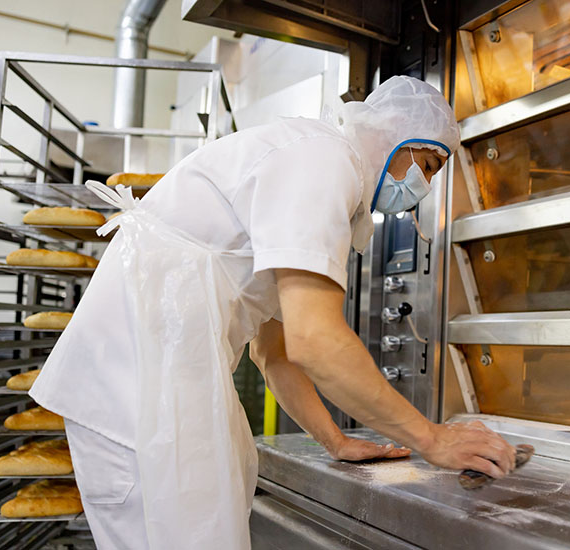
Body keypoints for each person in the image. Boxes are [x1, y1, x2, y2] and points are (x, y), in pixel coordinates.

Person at [29, 76, 516, 550]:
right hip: (138, 390)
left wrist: (334, 440)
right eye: (428, 166)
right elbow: (316, 341)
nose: (424, 186)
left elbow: (275, 351)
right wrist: (431, 439)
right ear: (397, 138)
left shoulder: (318, 166)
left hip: (163, 380)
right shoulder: (324, 163)